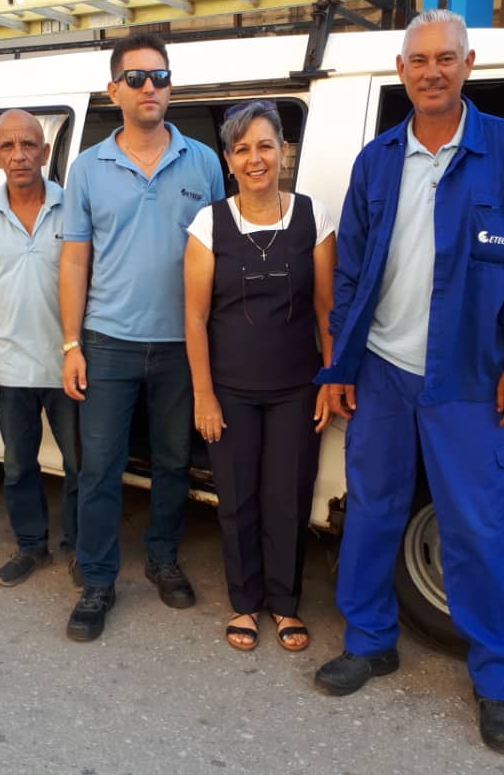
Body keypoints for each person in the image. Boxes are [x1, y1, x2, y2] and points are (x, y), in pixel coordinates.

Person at [312, 10, 504, 755]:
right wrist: (341, 363)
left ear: (468, 64)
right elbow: (351, 272)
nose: (431, 71)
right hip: (384, 370)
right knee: (373, 512)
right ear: (401, 70)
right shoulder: (378, 159)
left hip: (468, 378)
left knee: (477, 527)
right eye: (418, 60)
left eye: (445, 58)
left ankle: (496, 680)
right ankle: (370, 639)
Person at [60, 32, 226, 641]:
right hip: (107, 342)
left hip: (184, 346)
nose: (149, 87)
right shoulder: (88, 168)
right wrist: (71, 344)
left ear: (170, 86)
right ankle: (99, 578)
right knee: (100, 466)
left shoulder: (204, 162)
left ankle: (162, 556)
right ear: (115, 90)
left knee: (173, 462)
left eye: (158, 76)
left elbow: (218, 254)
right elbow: (74, 261)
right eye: (135, 78)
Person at [184, 100, 336, 653]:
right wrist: (204, 394)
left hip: (297, 389)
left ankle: (285, 604)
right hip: (229, 391)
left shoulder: (313, 218)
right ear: (229, 160)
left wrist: (331, 376)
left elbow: (326, 309)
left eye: (265, 146)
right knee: (239, 499)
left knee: (288, 498)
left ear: (283, 152)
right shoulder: (209, 224)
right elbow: (195, 316)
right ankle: (245, 602)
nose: (255, 159)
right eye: (243, 149)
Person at [0, 109, 79, 587]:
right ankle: (30, 546)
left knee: (81, 464)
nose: (19, 155)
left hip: (68, 364)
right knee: (17, 465)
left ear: (46, 152)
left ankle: (80, 546)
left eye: (29, 144)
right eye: (8, 147)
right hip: (10, 364)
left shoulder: (72, 204)